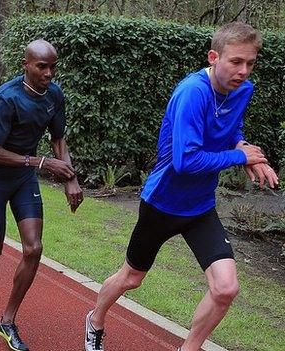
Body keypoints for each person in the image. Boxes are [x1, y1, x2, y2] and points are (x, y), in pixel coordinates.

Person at [84, 22, 279, 351]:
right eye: (236, 62)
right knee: (132, 278)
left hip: (200, 207)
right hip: (162, 203)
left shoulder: (242, 89)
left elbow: (232, 129)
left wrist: (247, 152)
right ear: (214, 57)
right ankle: (95, 319)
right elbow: (184, 162)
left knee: (225, 289)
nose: (244, 71)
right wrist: (237, 156)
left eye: (250, 63)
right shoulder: (192, 92)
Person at [0, 39, 84, 351]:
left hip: (24, 179)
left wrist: (70, 178)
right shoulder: (4, 98)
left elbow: (58, 139)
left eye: (53, 66)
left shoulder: (55, 95)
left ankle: (7, 321)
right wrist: (40, 163)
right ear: (25, 65)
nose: (49, 73)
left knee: (33, 248)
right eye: (42, 66)